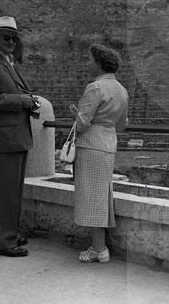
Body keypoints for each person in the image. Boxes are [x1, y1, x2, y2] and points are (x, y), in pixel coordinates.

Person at [0, 15, 40, 257]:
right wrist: (20, 101)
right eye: (6, 37)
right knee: (4, 193)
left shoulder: (5, 62)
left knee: (13, 192)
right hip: (4, 138)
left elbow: (12, 92)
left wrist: (28, 101)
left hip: (15, 135)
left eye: (14, 38)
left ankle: (8, 234)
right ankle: (3, 242)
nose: (11, 41)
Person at [69, 43, 128, 263]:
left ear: (99, 63)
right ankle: (99, 246)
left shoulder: (95, 87)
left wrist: (76, 115)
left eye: (90, 60)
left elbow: (82, 123)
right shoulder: (121, 90)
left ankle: (98, 248)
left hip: (91, 145)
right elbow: (121, 125)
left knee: (92, 196)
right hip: (108, 145)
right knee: (101, 195)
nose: (88, 64)